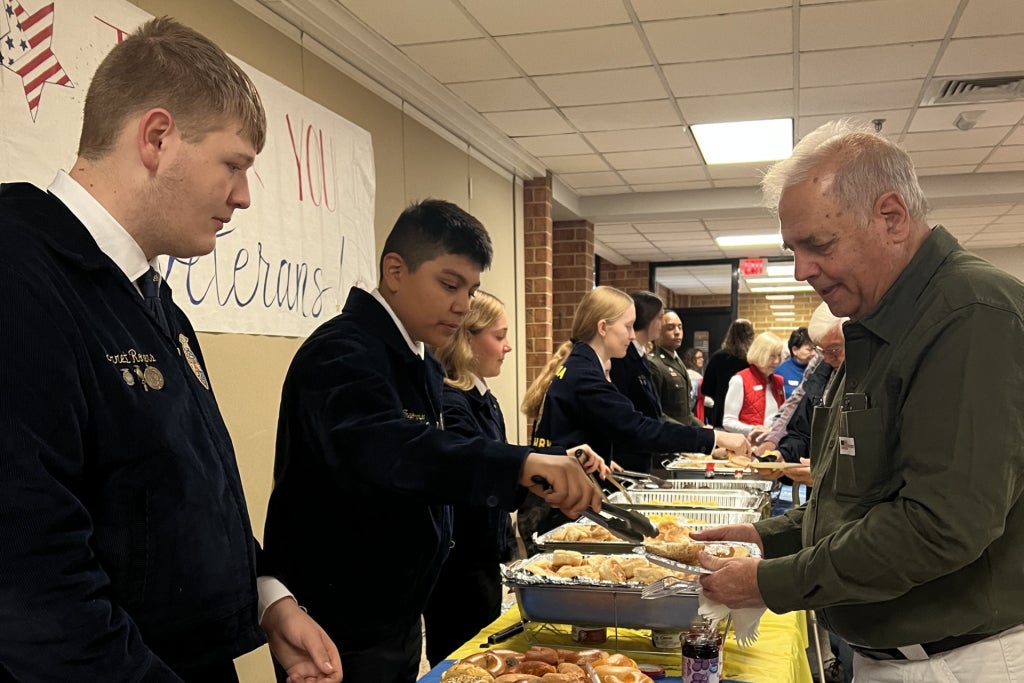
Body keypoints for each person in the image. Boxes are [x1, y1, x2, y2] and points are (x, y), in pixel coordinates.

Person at [0, 18, 339, 683]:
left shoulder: (154, 304)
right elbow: (30, 579)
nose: (242, 195)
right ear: (156, 138)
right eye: (234, 165)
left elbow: (183, 493)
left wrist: (270, 598)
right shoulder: (20, 273)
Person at [694, 120, 1024, 682]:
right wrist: (767, 535)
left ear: (890, 217)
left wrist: (770, 581)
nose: (801, 271)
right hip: (899, 656)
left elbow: (940, 523)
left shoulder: (970, 315)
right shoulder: (875, 319)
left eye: (818, 245)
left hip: (957, 662)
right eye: (793, 249)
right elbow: (862, 497)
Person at [262, 199, 607, 683]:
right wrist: (519, 464)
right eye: (449, 285)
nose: (463, 305)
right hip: (339, 618)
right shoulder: (342, 352)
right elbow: (393, 451)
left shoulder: (419, 355)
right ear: (396, 271)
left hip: (398, 612)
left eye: (471, 289)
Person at [517, 286, 750, 549]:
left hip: (571, 489)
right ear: (603, 327)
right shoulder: (584, 373)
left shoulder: (582, 365)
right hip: (563, 501)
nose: (631, 335)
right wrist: (715, 436)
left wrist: (601, 459)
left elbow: (576, 431)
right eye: (627, 326)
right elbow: (639, 428)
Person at [422, 291, 517, 666]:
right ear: (467, 338)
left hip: (484, 558)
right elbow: (480, 472)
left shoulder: (482, 397)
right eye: (499, 335)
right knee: (462, 662)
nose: (507, 346)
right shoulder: (451, 401)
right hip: (459, 569)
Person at [608, 291, 668, 472]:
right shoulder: (620, 359)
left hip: (642, 450)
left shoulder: (640, 356)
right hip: (625, 456)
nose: (663, 323)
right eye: (660, 317)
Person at [721, 332, 785, 442]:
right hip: (747, 446)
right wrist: (752, 429)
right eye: (772, 356)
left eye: (779, 355)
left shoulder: (779, 382)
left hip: (772, 446)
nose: (777, 361)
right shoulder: (739, 380)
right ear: (760, 355)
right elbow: (728, 421)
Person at [649, 311, 704, 428]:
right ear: (657, 331)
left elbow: (686, 413)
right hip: (667, 438)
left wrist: (703, 428)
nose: (677, 332)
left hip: (683, 438)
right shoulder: (654, 364)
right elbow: (655, 413)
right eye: (670, 328)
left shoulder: (677, 361)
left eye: (680, 327)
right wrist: (689, 432)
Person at [701, 318, 755, 427]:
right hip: (748, 414)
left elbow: (706, 388)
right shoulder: (753, 359)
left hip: (721, 413)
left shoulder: (718, 357)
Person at [774, 327, 816, 398]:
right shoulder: (780, 372)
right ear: (795, 350)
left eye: (815, 349)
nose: (814, 353)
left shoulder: (817, 369)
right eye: (809, 350)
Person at [682, 347, 708, 422]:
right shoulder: (692, 375)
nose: (702, 359)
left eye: (702, 357)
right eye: (699, 357)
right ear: (691, 359)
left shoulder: (696, 374)